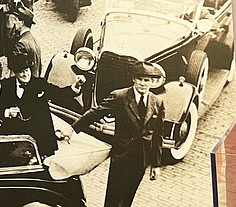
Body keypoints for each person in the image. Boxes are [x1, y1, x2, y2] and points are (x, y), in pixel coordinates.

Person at [65, 61, 165, 207]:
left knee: (129, 195)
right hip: (122, 156)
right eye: (140, 79)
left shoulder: (158, 102)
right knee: (114, 196)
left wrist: (156, 164)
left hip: (141, 158)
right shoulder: (120, 97)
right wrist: (73, 129)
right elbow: (96, 113)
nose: (143, 84)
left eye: (147, 80)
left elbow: (158, 135)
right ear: (134, 79)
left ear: (152, 82)